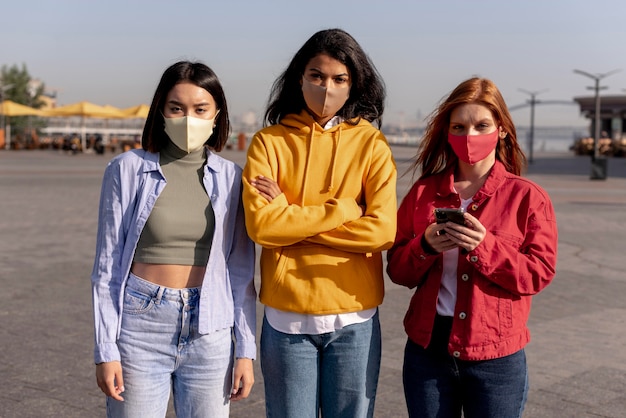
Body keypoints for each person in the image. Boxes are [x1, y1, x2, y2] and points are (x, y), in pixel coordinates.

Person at [242, 28, 397, 418]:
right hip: (287, 318)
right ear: (300, 78)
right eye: (317, 76)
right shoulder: (268, 143)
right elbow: (262, 227)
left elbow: (382, 231)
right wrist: (346, 210)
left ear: (354, 84)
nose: (326, 88)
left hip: (355, 317)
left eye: (338, 79)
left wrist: (291, 218)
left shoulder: (371, 145)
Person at [91, 61, 257, 418]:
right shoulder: (127, 169)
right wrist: (106, 350)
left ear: (216, 116)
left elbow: (240, 273)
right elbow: (106, 268)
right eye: (176, 108)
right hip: (140, 323)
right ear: (161, 112)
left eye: (200, 109)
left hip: (210, 328)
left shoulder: (231, 178)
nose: (188, 118)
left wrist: (245, 350)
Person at [386, 77, 558, 418]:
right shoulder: (423, 193)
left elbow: (538, 274)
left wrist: (484, 246)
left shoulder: (527, 197)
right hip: (428, 350)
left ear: (502, 130)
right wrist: (425, 246)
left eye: (482, 126)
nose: (470, 137)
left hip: (496, 355)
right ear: (447, 132)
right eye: (459, 127)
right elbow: (397, 270)